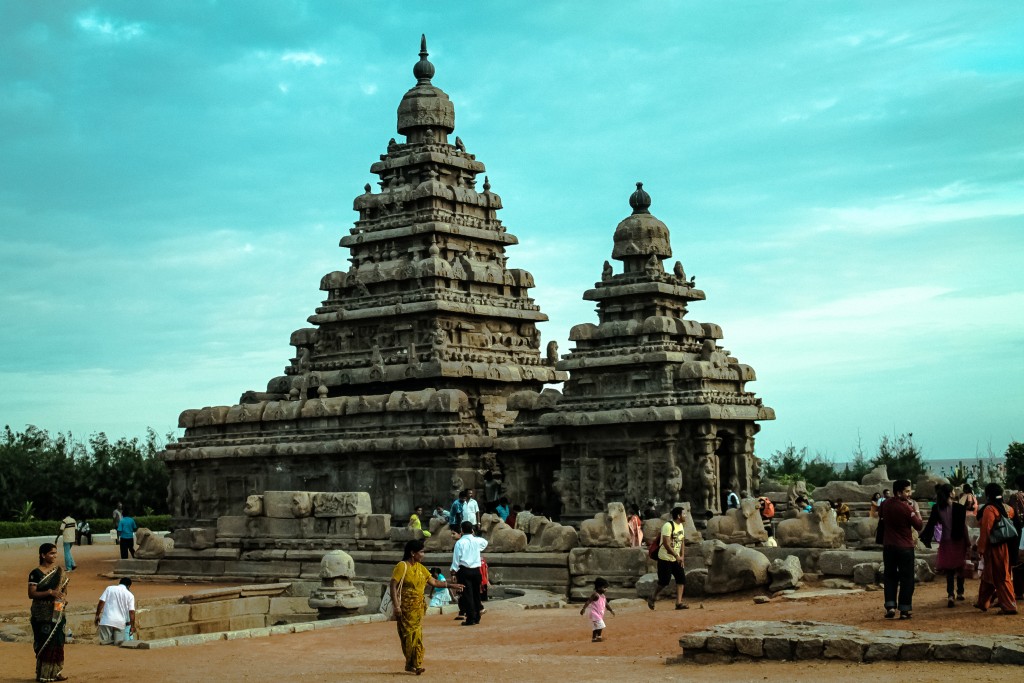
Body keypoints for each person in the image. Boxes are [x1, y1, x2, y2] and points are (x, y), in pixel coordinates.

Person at [390, 539, 461, 675]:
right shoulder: (402, 566)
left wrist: (451, 585)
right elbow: (393, 584)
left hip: (417, 608)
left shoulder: (420, 568)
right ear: (412, 553)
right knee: (407, 636)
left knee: (417, 635)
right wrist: (396, 605)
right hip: (405, 608)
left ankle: (416, 664)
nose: (423, 554)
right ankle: (411, 663)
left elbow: (433, 581)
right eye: (421, 552)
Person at [878, 479, 923, 619]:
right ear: (899, 492)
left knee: (890, 576)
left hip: (889, 546)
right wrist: (916, 510)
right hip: (905, 546)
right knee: (907, 578)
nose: (909, 494)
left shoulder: (885, 504)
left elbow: (880, 515)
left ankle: (890, 606)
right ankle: (904, 608)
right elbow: (918, 525)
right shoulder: (906, 508)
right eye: (907, 491)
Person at [921, 483, 970, 607]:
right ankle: (960, 592)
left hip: (946, 540)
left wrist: (925, 538)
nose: (954, 492)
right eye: (953, 491)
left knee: (949, 570)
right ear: (950, 493)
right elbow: (963, 527)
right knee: (960, 567)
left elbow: (931, 524)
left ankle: (950, 595)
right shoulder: (959, 508)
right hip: (958, 540)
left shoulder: (937, 508)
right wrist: (968, 542)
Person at [28, 542, 70, 682]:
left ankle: (56, 672)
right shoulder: (35, 573)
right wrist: (49, 592)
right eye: (51, 553)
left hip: (57, 611)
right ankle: (44, 674)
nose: (54, 556)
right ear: (43, 555)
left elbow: (63, 590)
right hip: (41, 613)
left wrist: (62, 599)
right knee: (44, 642)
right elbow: (32, 594)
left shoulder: (59, 571)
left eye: (55, 553)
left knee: (58, 641)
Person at [974, 483, 1018, 614]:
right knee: (990, 575)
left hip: (994, 548)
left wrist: (981, 549)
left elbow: (986, 530)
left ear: (988, 495)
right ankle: (983, 602)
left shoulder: (989, 509)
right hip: (1006, 545)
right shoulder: (1008, 508)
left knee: (1000, 575)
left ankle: (1010, 606)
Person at [648, 506, 686, 610]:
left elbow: (682, 541)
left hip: (676, 558)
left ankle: (679, 603)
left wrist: (682, 556)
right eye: (684, 514)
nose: (685, 516)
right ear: (678, 516)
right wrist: (677, 556)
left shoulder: (681, 526)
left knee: (681, 579)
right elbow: (666, 544)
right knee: (664, 581)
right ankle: (653, 596)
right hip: (665, 557)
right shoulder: (668, 526)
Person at [450, 521, 487, 625]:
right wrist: (473, 535)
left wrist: (453, 572)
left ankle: (470, 618)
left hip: (464, 570)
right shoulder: (476, 541)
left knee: (467, 594)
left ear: (461, 530)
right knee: (476, 594)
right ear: (472, 530)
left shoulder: (460, 543)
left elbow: (456, 560)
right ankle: (477, 617)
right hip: (476, 570)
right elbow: (485, 542)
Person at [95, 577, 136, 645]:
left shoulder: (109, 588)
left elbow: (101, 602)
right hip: (120, 623)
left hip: (107, 620)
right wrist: (132, 626)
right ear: (129, 586)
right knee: (118, 645)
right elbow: (132, 612)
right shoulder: (130, 595)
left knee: (105, 644)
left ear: (119, 583)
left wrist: (97, 615)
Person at [580, 577, 615, 642]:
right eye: (604, 588)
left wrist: (611, 610)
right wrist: (583, 609)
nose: (606, 589)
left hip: (599, 614)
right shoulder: (595, 595)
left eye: (606, 588)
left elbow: (606, 604)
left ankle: (594, 638)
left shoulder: (603, 596)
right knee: (601, 625)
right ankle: (599, 637)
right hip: (595, 614)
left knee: (595, 626)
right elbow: (588, 601)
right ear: (599, 588)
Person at [1010, 475, 1024, 600]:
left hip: (1019, 532)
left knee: (1018, 562)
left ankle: (1019, 592)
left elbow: (1012, 513)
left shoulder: (1015, 497)